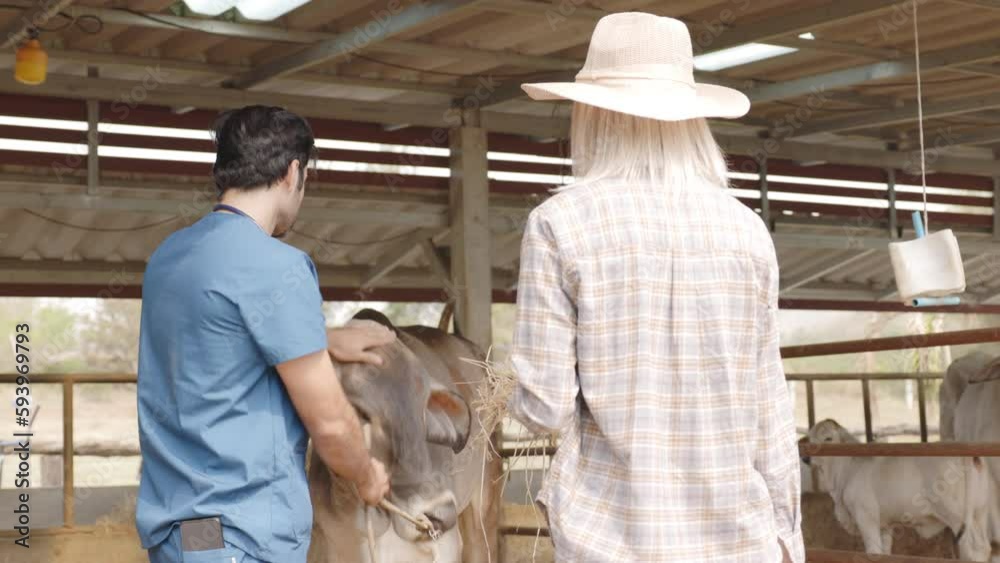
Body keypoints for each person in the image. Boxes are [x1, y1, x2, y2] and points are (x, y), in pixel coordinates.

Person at [509, 13, 804, 563]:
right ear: (691, 117)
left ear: (592, 114)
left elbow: (545, 408)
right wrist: (788, 535)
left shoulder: (560, 223)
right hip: (739, 542)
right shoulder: (747, 231)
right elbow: (771, 407)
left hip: (614, 539)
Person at [136, 105, 392, 563]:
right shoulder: (277, 266)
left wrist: (324, 337)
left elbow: (213, 338)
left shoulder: (168, 256)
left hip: (185, 535)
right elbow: (331, 423)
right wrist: (366, 472)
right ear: (293, 174)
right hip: (242, 535)